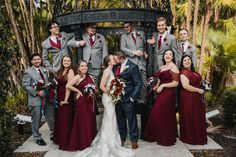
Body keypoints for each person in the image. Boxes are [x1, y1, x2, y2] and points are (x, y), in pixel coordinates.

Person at [75, 55, 134, 157]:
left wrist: (116, 90)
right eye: (112, 59)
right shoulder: (107, 71)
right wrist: (112, 93)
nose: (114, 59)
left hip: (111, 98)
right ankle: (108, 143)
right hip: (108, 98)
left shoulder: (111, 70)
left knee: (111, 118)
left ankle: (113, 140)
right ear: (109, 62)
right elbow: (101, 86)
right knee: (109, 118)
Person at [144, 49, 179, 146]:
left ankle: (166, 137)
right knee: (159, 113)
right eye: (166, 54)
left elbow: (176, 83)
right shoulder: (163, 66)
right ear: (164, 56)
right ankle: (158, 135)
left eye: (170, 54)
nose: (167, 56)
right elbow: (160, 78)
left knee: (162, 113)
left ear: (172, 57)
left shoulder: (174, 67)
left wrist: (163, 86)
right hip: (161, 92)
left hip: (168, 92)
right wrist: (156, 86)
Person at [22, 53, 55, 146]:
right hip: (35, 99)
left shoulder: (45, 70)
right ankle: (37, 136)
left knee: (51, 116)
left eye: (38, 59)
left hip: (47, 97)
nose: (37, 61)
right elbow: (25, 85)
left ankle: (53, 133)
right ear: (32, 61)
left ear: (41, 60)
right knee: (36, 118)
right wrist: (36, 92)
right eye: (34, 59)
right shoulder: (28, 72)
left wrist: (51, 86)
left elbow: (47, 82)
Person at [65, 60, 97, 151]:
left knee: (90, 120)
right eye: (82, 66)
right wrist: (78, 91)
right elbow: (68, 85)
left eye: (85, 66)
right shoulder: (78, 76)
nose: (84, 68)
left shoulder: (90, 76)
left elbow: (95, 88)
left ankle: (90, 140)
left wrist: (93, 93)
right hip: (82, 102)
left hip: (90, 102)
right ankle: (83, 143)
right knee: (83, 122)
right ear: (78, 68)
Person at [114, 52, 143, 149]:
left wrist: (133, 97)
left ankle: (134, 140)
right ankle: (122, 138)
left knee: (132, 120)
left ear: (120, 57)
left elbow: (139, 83)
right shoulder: (116, 66)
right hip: (118, 98)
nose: (114, 60)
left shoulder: (133, 66)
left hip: (128, 99)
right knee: (120, 119)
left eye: (115, 58)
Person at [179, 55, 207, 145]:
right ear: (182, 63)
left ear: (191, 61)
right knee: (190, 116)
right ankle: (191, 137)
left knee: (197, 116)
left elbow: (199, 82)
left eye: (188, 59)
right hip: (188, 97)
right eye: (185, 60)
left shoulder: (194, 72)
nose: (187, 61)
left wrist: (204, 87)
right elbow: (185, 86)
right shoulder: (184, 72)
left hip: (197, 98)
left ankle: (198, 136)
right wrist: (198, 90)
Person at [120, 21, 147, 109]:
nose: (126, 29)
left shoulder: (141, 33)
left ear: (132, 25)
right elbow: (122, 48)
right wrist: (134, 52)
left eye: (127, 26)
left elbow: (146, 44)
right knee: (134, 83)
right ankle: (134, 103)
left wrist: (145, 52)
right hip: (132, 62)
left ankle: (143, 101)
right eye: (124, 27)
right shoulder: (123, 36)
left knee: (143, 82)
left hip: (142, 62)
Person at [53, 55, 75, 150]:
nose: (66, 62)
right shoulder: (60, 71)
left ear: (71, 62)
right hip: (59, 97)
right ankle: (59, 139)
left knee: (65, 119)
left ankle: (65, 141)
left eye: (68, 60)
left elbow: (68, 87)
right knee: (60, 118)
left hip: (66, 98)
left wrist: (66, 100)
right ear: (62, 62)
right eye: (65, 60)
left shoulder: (71, 71)